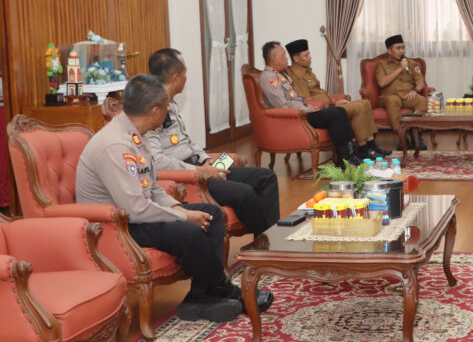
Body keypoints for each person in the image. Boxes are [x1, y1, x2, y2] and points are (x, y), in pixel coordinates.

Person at [76, 75, 273, 322]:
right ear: (155, 110)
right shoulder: (115, 145)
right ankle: (228, 291)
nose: (169, 108)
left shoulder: (135, 135)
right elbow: (134, 209)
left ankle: (200, 297)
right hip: (117, 225)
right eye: (165, 105)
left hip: (138, 213)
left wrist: (180, 208)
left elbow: (152, 186)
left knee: (211, 215)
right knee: (190, 232)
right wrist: (183, 216)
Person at [145, 48, 280, 238]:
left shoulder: (171, 103)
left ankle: (270, 237)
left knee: (266, 177)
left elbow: (187, 141)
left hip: (200, 165)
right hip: (187, 175)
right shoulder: (152, 108)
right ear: (175, 77)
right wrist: (200, 170)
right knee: (245, 193)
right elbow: (157, 161)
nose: (186, 78)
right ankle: (266, 241)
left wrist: (206, 160)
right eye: (185, 73)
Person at [260, 41, 362, 167]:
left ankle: (350, 155)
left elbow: (295, 99)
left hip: (301, 112)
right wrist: (306, 109)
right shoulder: (269, 77)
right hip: (294, 117)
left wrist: (308, 106)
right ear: (273, 57)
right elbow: (282, 105)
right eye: (283, 55)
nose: (287, 58)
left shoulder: (281, 75)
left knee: (340, 111)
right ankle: (343, 160)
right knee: (335, 114)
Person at [284, 39, 390, 160]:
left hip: (329, 105)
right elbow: (307, 101)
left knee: (365, 103)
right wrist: (333, 103)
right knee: (359, 107)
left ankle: (371, 144)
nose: (310, 57)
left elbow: (318, 94)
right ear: (296, 58)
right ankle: (363, 148)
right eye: (306, 55)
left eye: (309, 54)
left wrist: (333, 101)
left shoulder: (307, 72)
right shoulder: (295, 75)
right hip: (322, 110)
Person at [375, 34, 428, 150]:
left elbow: (421, 82)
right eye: (398, 48)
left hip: (407, 96)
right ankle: (402, 136)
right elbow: (382, 83)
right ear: (389, 51)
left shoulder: (411, 63)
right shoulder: (382, 64)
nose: (402, 51)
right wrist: (400, 68)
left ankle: (417, 137)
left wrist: (415, 90)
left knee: (421, 100)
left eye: (403, 47)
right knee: (392, 101)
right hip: (388, 96)